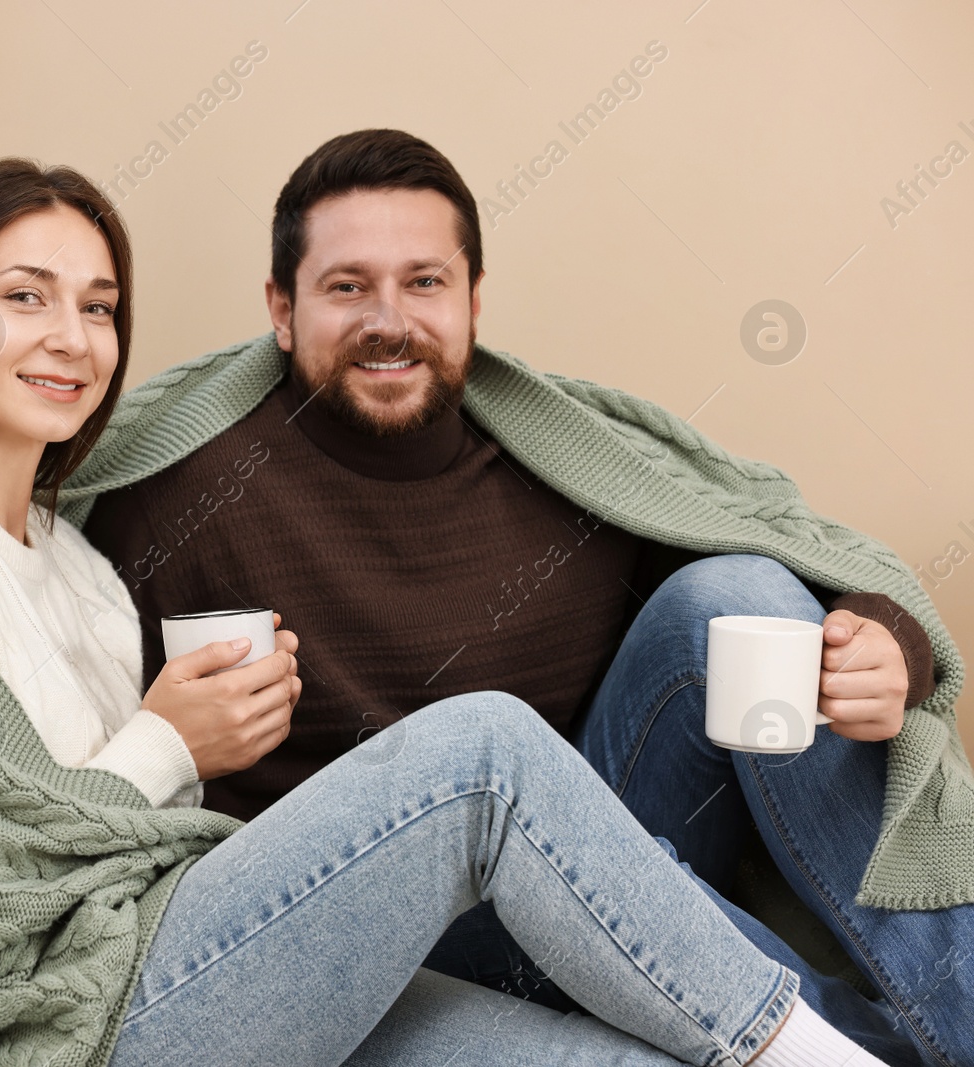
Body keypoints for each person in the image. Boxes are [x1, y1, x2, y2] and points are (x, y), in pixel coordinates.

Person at [0, 156, 892, 1067]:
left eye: (97, 305)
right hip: (62, 1027)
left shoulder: (72, 558)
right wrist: (171, 741)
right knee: (479, 750)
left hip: (201, 970)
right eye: (22, 298)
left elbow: (740, 519)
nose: (72, 338)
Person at [74, 130, 973, 1066]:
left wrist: (890, 650)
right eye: (347, 287)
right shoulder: (175, 492)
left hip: (585, 866)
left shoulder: (569, 463)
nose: (390, 319)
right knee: (506, 780)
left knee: (734, 591)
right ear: (282, 309)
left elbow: (791, 544)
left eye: (425, 282)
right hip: (366, 933)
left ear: (472, 302)